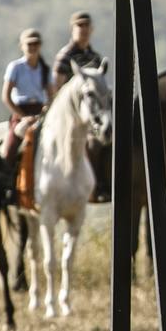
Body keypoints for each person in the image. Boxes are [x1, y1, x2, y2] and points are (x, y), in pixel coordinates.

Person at [53, 12, 110, 201]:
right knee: (92, 144)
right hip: (70, 114)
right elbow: (57, 87)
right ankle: (93, 187)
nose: (83, 29)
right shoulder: (65, 56)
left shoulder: (95, 57)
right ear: (73, 29)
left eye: (86, 26)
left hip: (92, 114)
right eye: (79, 26)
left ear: (91, 29)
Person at [0, 29, 51, 200]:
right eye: (29, 44)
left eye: (36, 43)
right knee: (11, 145)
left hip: (40, 112)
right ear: (22, 46)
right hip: (20, 111)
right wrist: (22, 116)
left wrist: (45, 111)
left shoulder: (45, 69)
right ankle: (6, 181)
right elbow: (6, 97)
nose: (33, 47)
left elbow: (52, 96)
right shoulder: (15, 67)